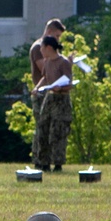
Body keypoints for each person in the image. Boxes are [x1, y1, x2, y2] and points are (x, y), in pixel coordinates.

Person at [31, 35, 74, 172]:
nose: (41, 51)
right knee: (43, 128)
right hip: (49, 98)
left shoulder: (63, 62)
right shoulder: (47, 62)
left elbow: (69, 83)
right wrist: (37, 87)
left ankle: (58, 163)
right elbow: (44, 77)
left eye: (42, 48)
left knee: (58, 132)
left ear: (48, 47)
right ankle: (43, 161)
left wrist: (60, 88)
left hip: (61, 100)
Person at [30, 19, 66, 88]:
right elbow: (47, 71)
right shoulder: (38, 47)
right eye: (57, 36)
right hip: (43, 91)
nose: (58, 39)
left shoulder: (53, 47)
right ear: (49, 32)